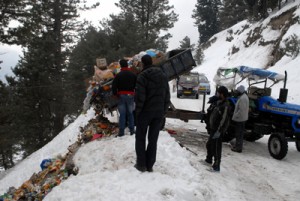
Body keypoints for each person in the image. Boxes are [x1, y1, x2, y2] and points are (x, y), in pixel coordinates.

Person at [134, 54, 171, 172]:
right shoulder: (163, 75)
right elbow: (167, 95)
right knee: (153, 139)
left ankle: (141, 164)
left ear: (143, 64)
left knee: (140, 138)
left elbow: (140, 98)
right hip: (158, 112)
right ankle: (150, 165)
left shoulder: (142, 76)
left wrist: (137, 113)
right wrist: (164, 111)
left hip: (145, 112)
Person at [202, 86, 230, 172]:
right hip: (213, 129)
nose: (217, 94)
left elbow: (224, 120)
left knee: (216, 148)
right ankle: (209, 159)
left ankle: (217, 166)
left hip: (218, 130)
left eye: (218, 93)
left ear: (222, 94)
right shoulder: (219, 103)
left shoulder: (225, 105)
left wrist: (219, 130)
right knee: (209, 144)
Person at [112, 59, 137, 137]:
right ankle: (132, 130)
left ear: (121, 66)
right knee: (130, 113)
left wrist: (115, 94)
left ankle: (121, 132)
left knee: (122, 114)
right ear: (127, 65)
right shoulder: (133, 75)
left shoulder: (118, 75)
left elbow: (114, 86)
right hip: (130, 95)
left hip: (121, 96)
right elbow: (137, 85)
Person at [231, 85, 249, 153]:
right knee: (240, 134)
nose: (237, 92)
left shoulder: (242, 98)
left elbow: (241, 110)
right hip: (242, 118)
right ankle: (238, 146)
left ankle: (238, 148)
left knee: (239, 134)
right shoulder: (244, 97)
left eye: (238, 91)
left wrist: (235, 116)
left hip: (240, 119)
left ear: (240, 91)